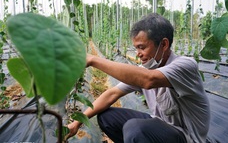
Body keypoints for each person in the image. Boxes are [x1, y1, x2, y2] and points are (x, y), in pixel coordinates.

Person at [67, 13, 210, 143]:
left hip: (186, 137)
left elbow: (148, 80)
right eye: (136, 48)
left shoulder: (185, 66)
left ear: (164, 44)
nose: (138, 54)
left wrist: (93, 60)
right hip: (161, 126)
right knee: (106, 117)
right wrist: (78, 122)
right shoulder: (146, 70)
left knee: (134, 128)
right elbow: (112, 93)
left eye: (142, 47)